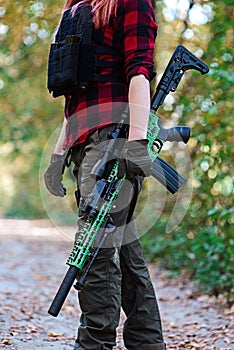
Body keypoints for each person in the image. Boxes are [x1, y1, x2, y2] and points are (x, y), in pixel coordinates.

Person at [44, 0, 166, 349]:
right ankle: (148, 343)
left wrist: (138, 142)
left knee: (94, 251)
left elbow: (139, 72)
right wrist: (58, 156)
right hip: (83, 144)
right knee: (123, 250)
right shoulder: (76, 9)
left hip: (113, 140)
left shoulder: (129, 2)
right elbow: (75, 100)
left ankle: (93, 344)